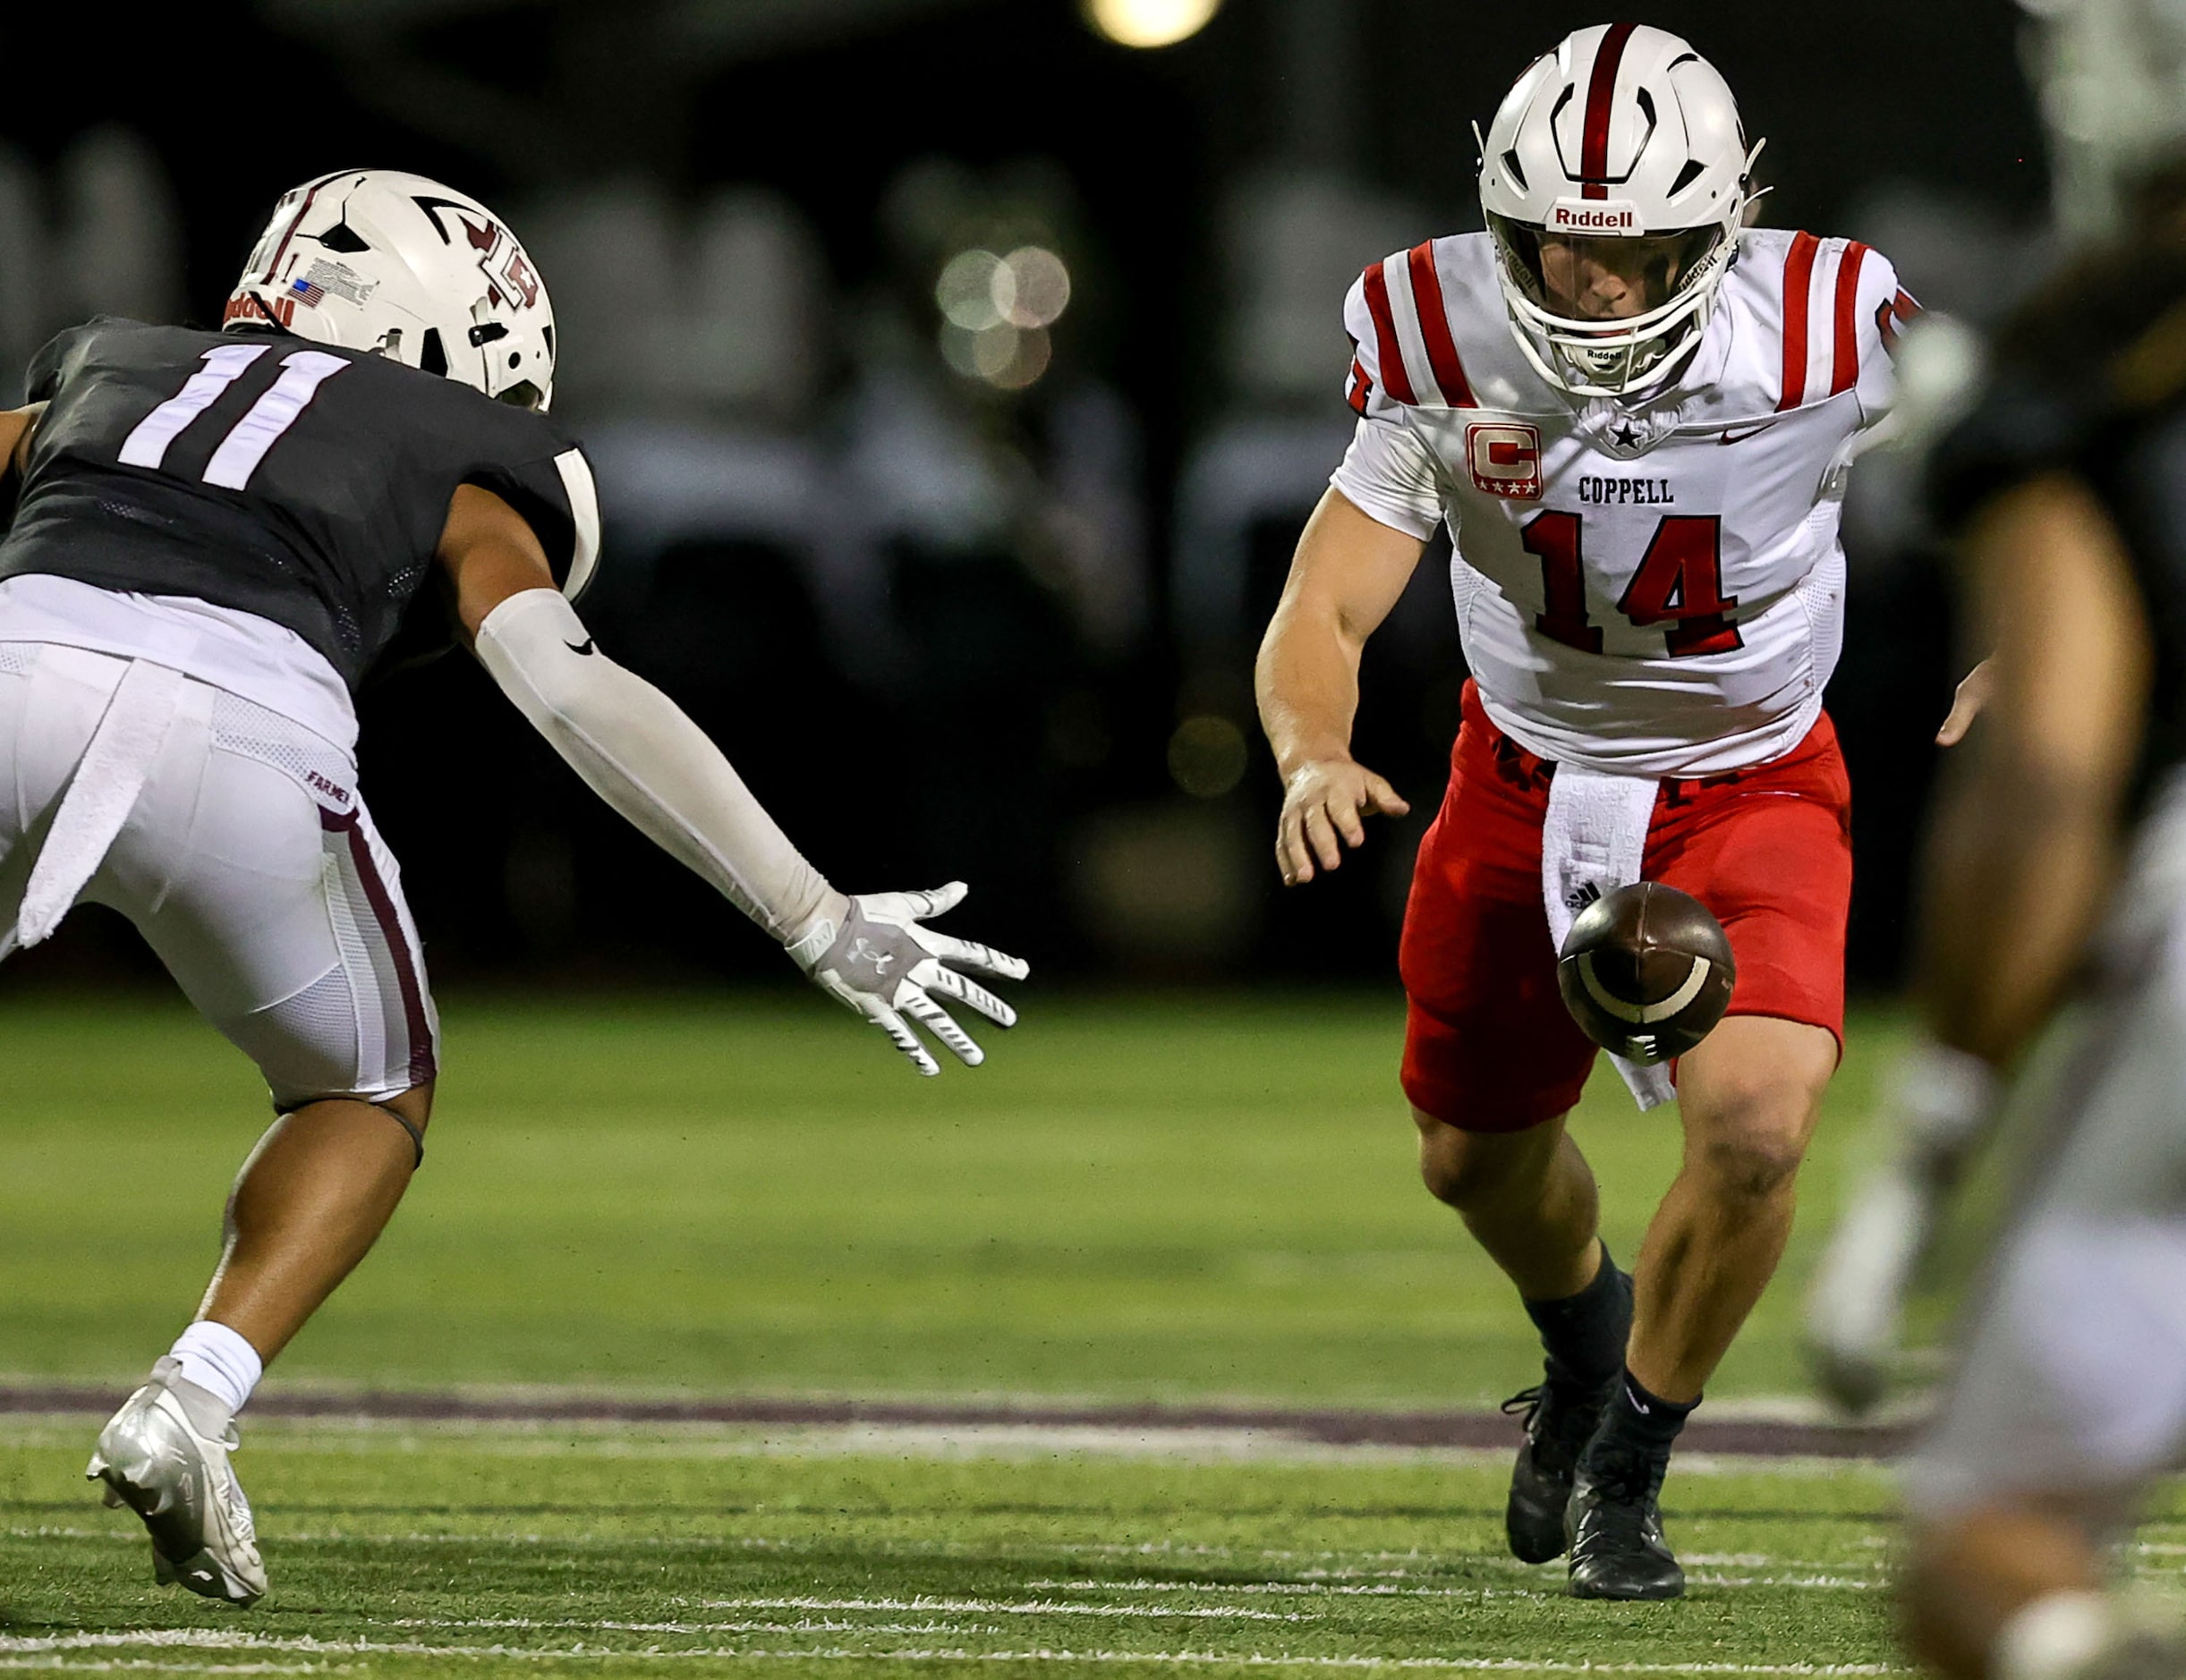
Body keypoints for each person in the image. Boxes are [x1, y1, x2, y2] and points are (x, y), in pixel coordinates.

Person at [0, 169, 1026, 1608]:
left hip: (17, 657)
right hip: (249, 722)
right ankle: (190, 1398)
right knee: (367, 1087)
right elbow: (564, 681)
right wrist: (814, 913)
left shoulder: (106, 363)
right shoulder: (460, 446)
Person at [1255, 24, 1920, 1599]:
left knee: (1755, 1134)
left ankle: (1633, 1454)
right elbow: (1324, 606)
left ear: (1719, 228)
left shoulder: (1827, 320)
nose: (1591, 281)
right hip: (1523, 774)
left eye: (1632, 251)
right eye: (1557, 240)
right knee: (1468, 1161)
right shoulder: (1434, 330)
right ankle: (1580, 1340)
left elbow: (2028, 479)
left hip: (1752, 776)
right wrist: (1306, 751)